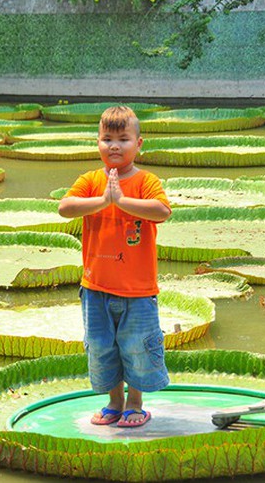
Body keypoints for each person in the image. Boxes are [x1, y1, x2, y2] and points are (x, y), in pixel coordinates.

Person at [58, 105, 172, 428]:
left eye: (123, 139)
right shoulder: (91, 181)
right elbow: (65, 207)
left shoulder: (146, 181)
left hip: (137, 291)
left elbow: (162, 211)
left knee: (136, 346)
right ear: (97, 142)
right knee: (101, 346)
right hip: (96, 289)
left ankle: (136, 404)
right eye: (107, 138)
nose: (115, 146)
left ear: (139, 144)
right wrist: (104, 201)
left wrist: (121, 201)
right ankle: (113, 402)